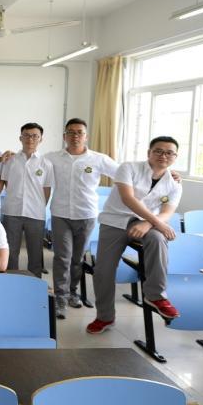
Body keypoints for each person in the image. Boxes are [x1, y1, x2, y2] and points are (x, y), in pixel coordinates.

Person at [86, 136, 183, 335]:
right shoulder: (128, 168)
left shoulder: (175, 184)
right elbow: (128, 198)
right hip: (115, 220)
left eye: (169, 152)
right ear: (149, 153)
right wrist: (156, 222)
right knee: (104, 270)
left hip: (145, 224)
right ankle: (105, 317)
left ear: (175, 157)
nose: (163, 155)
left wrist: (149, 223)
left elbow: (167, 211)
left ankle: (155, 295)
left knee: (158, 238)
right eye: (158, 151)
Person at [44, 118, 118, 319]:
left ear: (86, 136)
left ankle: (73, 292)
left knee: (77, 258)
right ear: (64, 136)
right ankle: (60, 296)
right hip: (60, 214)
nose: (75, 136)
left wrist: (164, 174)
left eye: (79, 132)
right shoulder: (52, 157)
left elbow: (125, 174)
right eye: (71, 132)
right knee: (62, 256)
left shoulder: (98, 159)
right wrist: (9, 156)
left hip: (86, 215)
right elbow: (31, 163)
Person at [0, 122, 53, 278]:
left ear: (40, 139)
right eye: (27, 135)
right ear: (20, 138)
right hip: (12, 212)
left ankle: (34, 285)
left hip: (36, 214)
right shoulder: (10, 161)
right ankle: (12, 283)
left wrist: (38, 205)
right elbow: (7, 184)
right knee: (11, 253)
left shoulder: (46, 164)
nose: (30, 139)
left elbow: (47, 190)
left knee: (35, 254)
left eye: (35, 136)